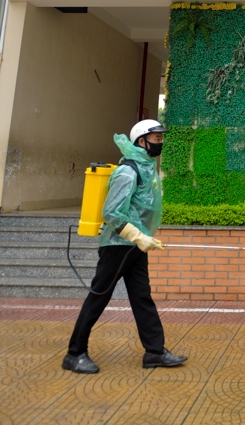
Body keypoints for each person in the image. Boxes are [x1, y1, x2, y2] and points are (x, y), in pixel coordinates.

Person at [64, 119, 188, 374]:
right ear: (141, 141)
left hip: (134, 245)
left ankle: (154, 352)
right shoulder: (128, 171)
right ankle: (74, 353)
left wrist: (143, 238)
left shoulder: (146, 168)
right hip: (117, 246)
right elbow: (112, 212)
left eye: (161, 139)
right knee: (98, 298)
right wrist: (137, 235)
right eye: (156, 139)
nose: (160, 143)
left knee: (142, 298)